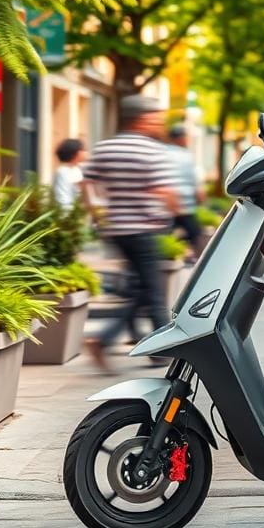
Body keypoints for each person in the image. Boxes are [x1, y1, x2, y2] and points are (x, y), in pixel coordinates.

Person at [83, 95, 179, 370]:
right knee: (153, 291)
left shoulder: (105, 147)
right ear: (143, 118)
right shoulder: (152, 150)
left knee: (140, 287)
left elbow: (86, 182)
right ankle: (158, 349)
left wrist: (97, 212)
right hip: (143, 229)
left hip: (116, 229)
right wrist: (175, 213)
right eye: (156, 117)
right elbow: (164, 191)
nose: (160, 122)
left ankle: (136, 343)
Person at [167, 123, 205, 259]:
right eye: (186, 137)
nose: (188, 140)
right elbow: (193, 179)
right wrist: (200, 194)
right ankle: (199, 262)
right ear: (180, 138)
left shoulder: (163, 152)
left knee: (168, 234)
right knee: (195, 234)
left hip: (168, 204)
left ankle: (178, 254)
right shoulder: (185, 155)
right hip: (184, 204)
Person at [52, 138, 87, 212]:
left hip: (78, 214)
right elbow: (62, 199)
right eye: (83, 150)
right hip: (69, 217)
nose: (85, 152)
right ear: (74, 153)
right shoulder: (62, 172)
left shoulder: (78, 169)